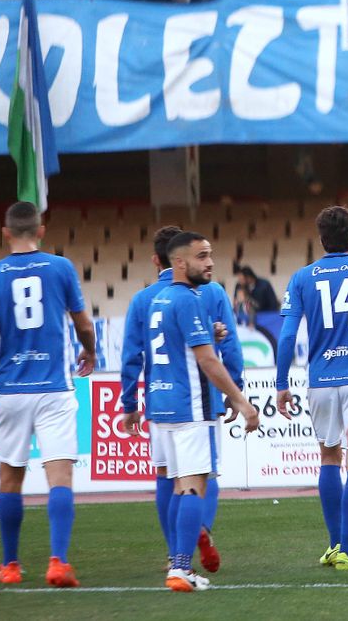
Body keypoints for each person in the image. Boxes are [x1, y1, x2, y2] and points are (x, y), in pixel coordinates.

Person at [0, 201, 97, 589]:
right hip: (54, 387)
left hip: (11, 389)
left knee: (10, 478)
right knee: (60, 477)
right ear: (41, 231)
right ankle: (58, 562)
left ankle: (10, 565)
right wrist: (90, 350)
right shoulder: (61, 268)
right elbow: (83, 324)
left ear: (5, 233)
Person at [124, 231, 259, 592]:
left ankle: (176, 561)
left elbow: (148, 351)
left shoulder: (156, 299)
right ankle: (182, 569)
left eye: (210, 255)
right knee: (194, 486)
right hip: (191, 406)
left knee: (175, 484)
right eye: (202, 256)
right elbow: (208, 361)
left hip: (161, 406)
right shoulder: (192, 299)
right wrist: (241, 400)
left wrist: (129, 403)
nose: (210, 263)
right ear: (179, 262)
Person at [272, 207, 348, 570]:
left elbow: (287, 335)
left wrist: (281, 384)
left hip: (321, 380)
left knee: (328, 457)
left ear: (321, 239)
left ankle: (335, 545)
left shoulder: (302, 277)